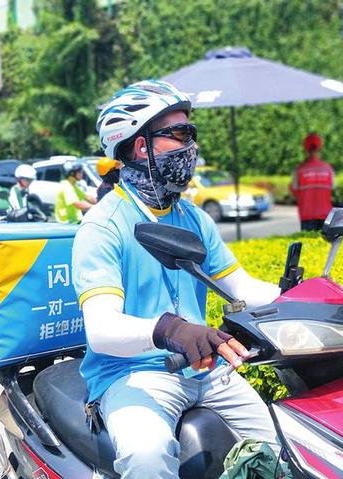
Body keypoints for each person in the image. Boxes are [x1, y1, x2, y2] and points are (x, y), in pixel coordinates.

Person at [72, 80, 279, 479]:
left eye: (192, 134)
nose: (191, 148)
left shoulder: (193, 218)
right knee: (146, 457)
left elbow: (241, 287)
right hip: (132, 373)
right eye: (179, 135)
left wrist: (300, 298)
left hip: (206, 368)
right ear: (140, 146)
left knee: (282, 443)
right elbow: (101, 329)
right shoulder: (102, 225)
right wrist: (172, 329)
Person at [290, 132, 335, 231]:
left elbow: (293, 190)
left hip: (307, 216)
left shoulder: (300, 170)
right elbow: (332, 188)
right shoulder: (328, 169)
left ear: (305, 149)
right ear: (320, 148)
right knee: (324, 245)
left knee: (308, 245)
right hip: (325, 215)